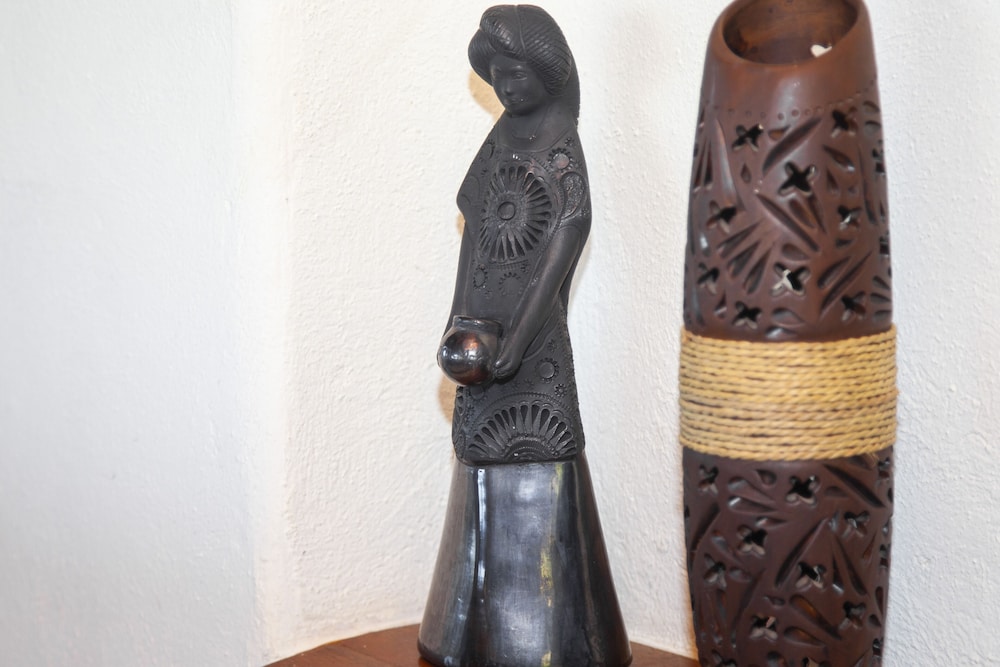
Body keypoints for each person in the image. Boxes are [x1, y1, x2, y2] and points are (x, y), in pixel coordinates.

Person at [445, 4, 591, 465]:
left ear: (546, 75)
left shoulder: (560, 141)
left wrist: (522, 334)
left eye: (517, 74)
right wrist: (457, 313)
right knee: (477, 434)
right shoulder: (500, 137)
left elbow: (566, 237)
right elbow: (474, 229)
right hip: (482, 315)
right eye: (497, 76)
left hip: (534, 314)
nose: (506, 87)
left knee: (546, 429)